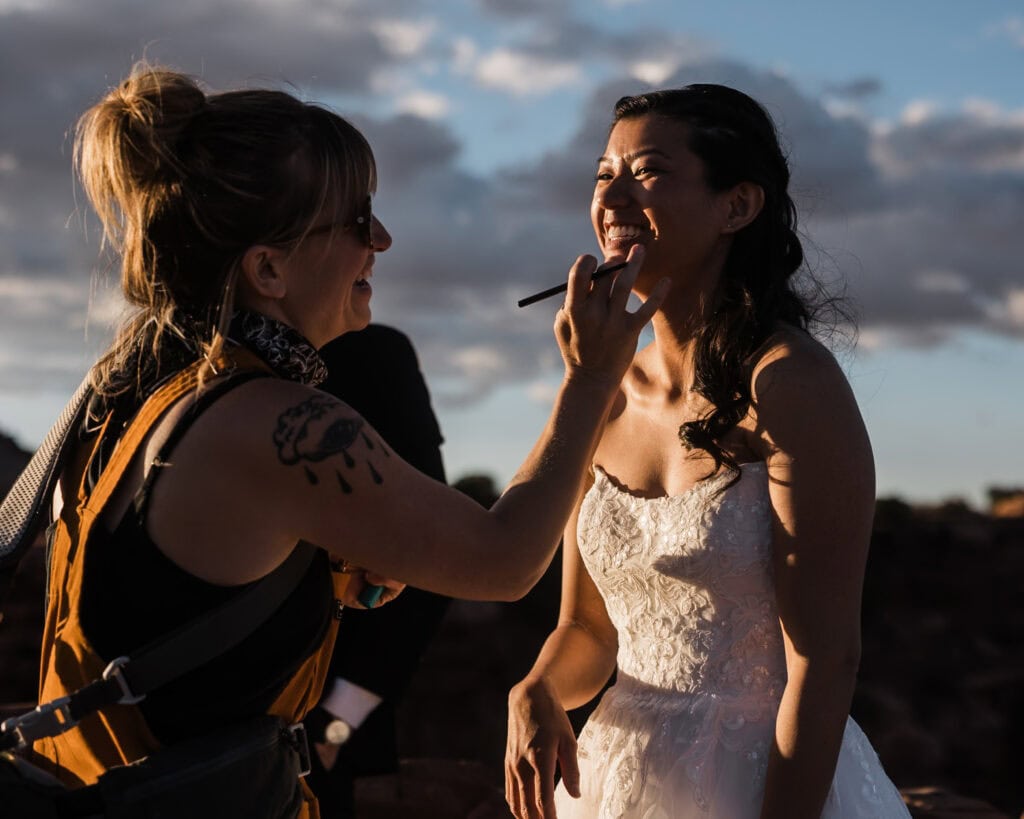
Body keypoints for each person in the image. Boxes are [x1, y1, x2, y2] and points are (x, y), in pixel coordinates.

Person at [28, 63, 668, 819]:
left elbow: (156, 595)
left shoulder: (128, 386)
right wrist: (590, 381)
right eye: (358, 222)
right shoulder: (273, 421)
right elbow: (506, 560)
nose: (384, 240)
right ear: (269, 266)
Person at [504, 85, 910, 819]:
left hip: (766, 779)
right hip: (617, 779)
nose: (615, 195)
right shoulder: (603, 385)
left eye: (649, 171)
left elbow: (824, 661)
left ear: (737, 206)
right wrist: (536, 687)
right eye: (604, 174)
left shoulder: (791, 383)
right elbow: (588, 630)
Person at [304, 324, 451, 817]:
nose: (379, 245)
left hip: (315, 736)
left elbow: (432, 563)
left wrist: (336, 726)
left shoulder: (373, 355)